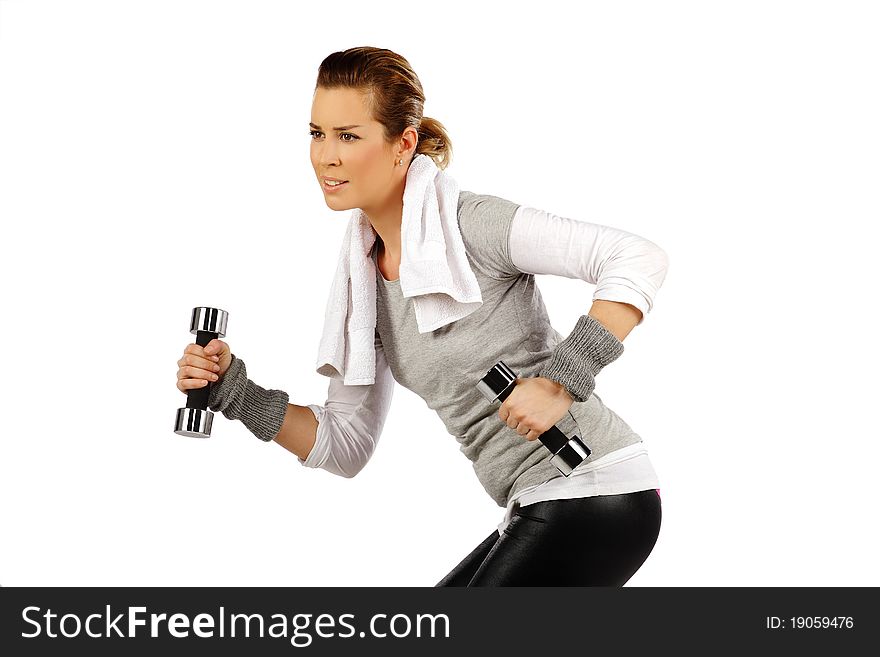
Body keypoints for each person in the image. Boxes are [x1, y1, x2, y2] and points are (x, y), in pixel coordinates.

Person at [175, 47, 669, 586]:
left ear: (403, 143)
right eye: (317, 134)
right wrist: (237, 394)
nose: (326, 156)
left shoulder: (470, 226)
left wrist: (561, 379)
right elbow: (344, 446)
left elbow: (637, 257)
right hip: (533, 502)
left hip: (595, 487)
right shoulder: (363, 282)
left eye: (349, 135)